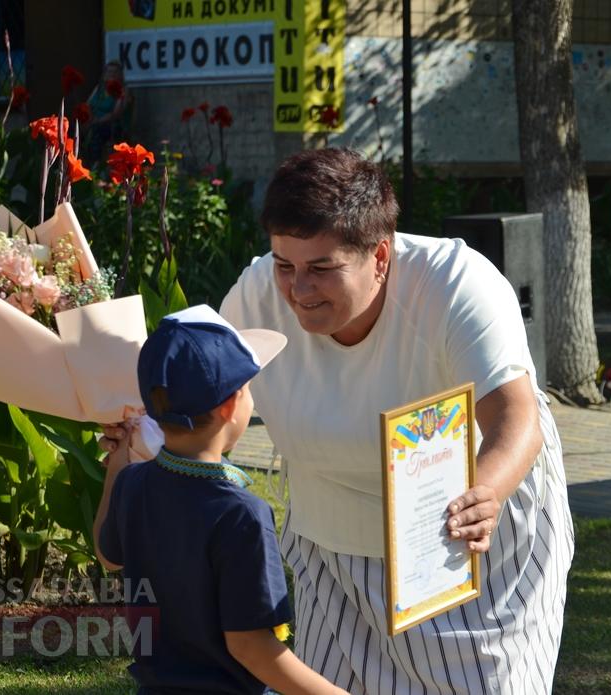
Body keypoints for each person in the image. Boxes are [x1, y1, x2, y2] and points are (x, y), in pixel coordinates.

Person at [219, 148, 575, 694]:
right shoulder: (258, 292)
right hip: (331, 546)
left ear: (380, 256)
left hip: (468, 539)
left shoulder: (456, 283)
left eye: (321, 269)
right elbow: (207, 400)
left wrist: (486, 491)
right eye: (284, 264)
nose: (297, 289)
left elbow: (515, 415)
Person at [95, 304, 348, 695]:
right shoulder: (242, 514)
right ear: (231, 405)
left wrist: (117, 462)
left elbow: (108, 554)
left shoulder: (132, 483)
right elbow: (250, 645)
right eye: (248, 389)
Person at [85, 60, 130, 160]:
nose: (112, 74)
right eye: (109, 72)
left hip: (112, 125)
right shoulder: (99, 88)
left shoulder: (123, 90)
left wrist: (96, 121)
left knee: (98, 132)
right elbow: (88, 104)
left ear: (120, 75)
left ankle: (96, 164)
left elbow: (116, 113)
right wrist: (88, 118)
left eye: (115, 72)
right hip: (94, 121)